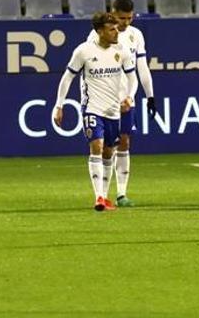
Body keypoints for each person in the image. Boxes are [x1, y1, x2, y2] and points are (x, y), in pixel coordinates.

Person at [54, 12, 137, 211]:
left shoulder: (122, 51)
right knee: (97, 146)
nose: (116, 32)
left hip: (113, 111)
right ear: (99, 31)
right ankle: (99, 197)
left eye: (117, 28)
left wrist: (129, 96)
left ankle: (105, 196)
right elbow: (67, 78)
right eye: (112, 29)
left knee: (109, 152)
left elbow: (132, 76)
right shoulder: (83, 51)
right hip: (92, 108)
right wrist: (59, 105)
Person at [85, 0, 156, 207]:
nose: (125, 23)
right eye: (121, 18)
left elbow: (141, 67)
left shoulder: (136, 36)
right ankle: (102, 195)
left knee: (125, 142)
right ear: (112, 14)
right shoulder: (94, 36)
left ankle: (122, 194)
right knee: (106, 147)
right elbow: (89, 69)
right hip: (104, 100)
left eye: (129, 18)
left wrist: (149, 95)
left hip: (127, 98)